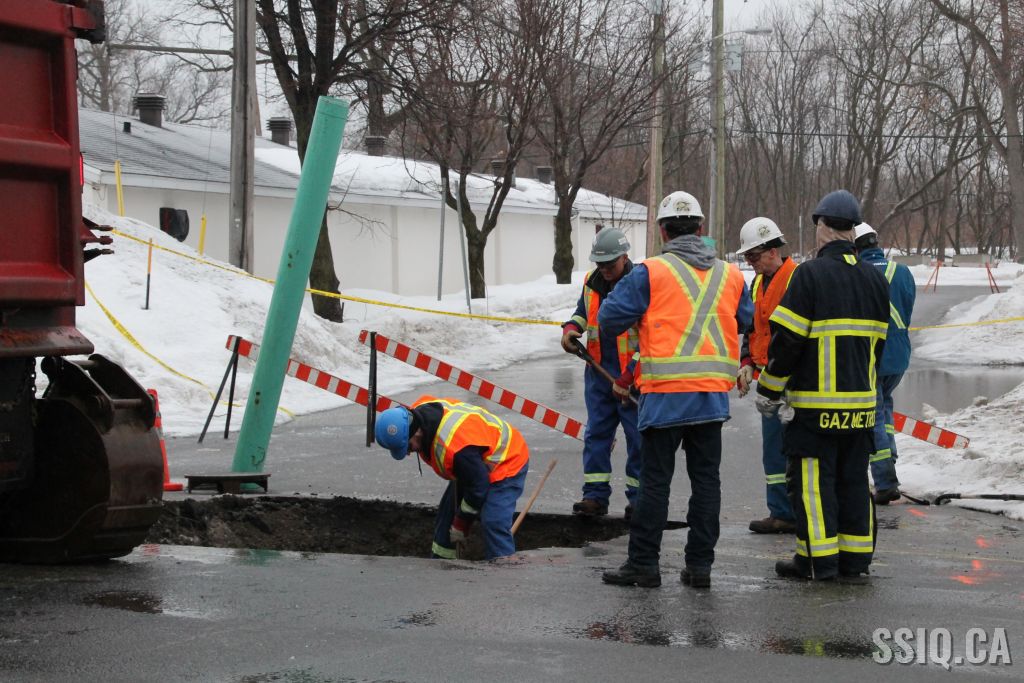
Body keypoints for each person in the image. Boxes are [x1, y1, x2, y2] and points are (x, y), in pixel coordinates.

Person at [598, 190, 753, 589]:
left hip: (665, 396)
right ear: (700, 230)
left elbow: (609, 319)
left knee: (654, 483)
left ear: (663, 232)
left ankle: (644, 565)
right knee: (706, 483)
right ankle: (700, 567)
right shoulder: (731, 275)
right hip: (710, 398)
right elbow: (746, 320)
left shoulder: (650, 272)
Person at [755, 190, 889, 583]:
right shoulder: (875, 279)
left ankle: (817, 562)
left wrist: (769, 389)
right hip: (861, 409)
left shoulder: (809, 275)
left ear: (822, 228)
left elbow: (787, 342)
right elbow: (877, 348)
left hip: (815, 410)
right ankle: (855, 560)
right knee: (853, 483)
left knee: (813, 486)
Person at [374, 396, 529, 561]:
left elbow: (479, 486)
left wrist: (462, 522)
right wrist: (456, 520)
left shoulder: (454, 448)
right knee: (446, 518)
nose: (408, 453)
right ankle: (442, 564)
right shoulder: (418, 412)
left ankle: (503, 567)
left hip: (506, 459)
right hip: (473, 460)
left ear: (417, 431)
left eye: (408, 446)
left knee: (493, 521)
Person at [560, 226, 642, 520]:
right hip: (598, 373)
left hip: (631, 375)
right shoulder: (591, 282)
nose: (605, 269)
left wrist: (629, 375)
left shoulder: (640, 283)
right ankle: (594, 496)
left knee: (638, 439)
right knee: (597, 435)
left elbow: (650, 335)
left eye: (610, 264)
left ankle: (639, 499)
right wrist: (571, 329)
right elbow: (582, 312)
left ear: (624, 257)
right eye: (600, 263)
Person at [735, 217, 799, 534]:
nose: (750, 263)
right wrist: (747, 361)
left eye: (754, 256)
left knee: (795, 449)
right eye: (747, 257)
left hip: (794, 382)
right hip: (768, 379)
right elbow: (753, 328)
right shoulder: (758, 283)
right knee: (773, 450)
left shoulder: (797, 280)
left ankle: (798, 510)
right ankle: (781, 511)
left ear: (773, 251)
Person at [854, 223, 916, 505]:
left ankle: (885, 481)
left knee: (875, 416)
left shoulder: (858, 273)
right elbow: (907, 311)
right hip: (899, 355)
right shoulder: (902, 272)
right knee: (885, 407)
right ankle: (889, 459)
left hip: (871, 354)